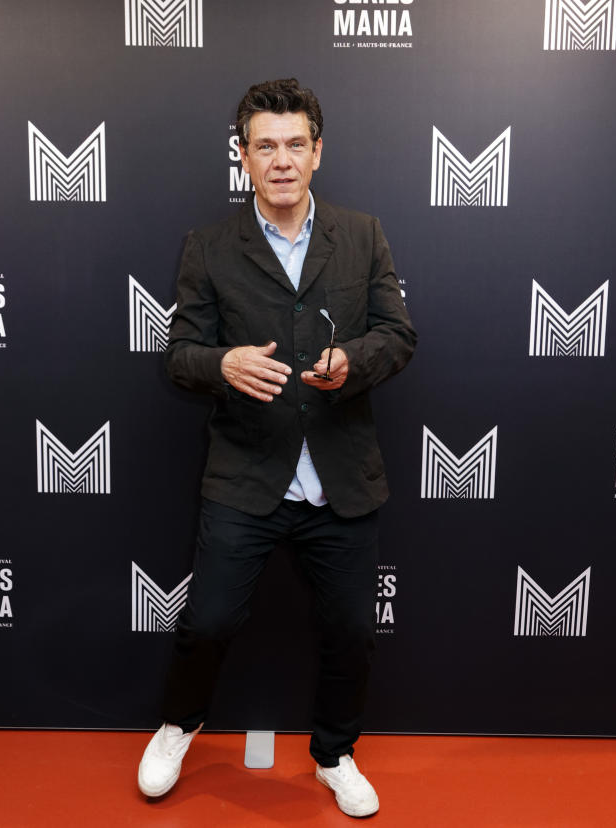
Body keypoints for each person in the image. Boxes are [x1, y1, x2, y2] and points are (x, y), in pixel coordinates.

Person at [137, 78, 416, 818]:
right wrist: (221, 365)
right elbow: (179, 355)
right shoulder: (207, 248)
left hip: (340, 479)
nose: (282, 160)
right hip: (246, 474)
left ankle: (334, 754)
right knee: (211, 622)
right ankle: (179, 723)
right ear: (245, 158)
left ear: (318, 153)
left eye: (296, 145)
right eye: (267, 146)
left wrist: (354, 361)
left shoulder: (363, 236)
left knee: (352, 632)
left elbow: (399, 336)